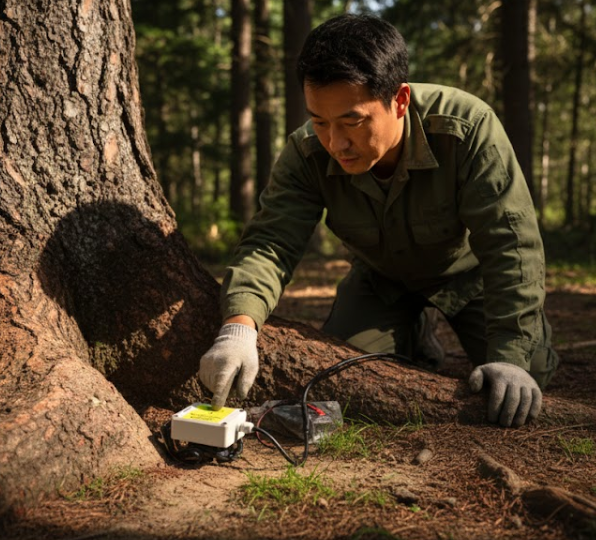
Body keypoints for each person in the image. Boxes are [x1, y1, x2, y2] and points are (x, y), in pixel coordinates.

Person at [198, 14, 559, 428]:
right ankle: (414, 331)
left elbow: (510, 243)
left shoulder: (466, 129)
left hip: (467, 278)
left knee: (526, 376)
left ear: (400, 100)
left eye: (352, 121)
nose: (336, 143)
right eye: (319, 122)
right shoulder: (306, 153)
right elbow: (272, 242)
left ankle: (456, 337)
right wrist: (238, 328)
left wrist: (510, 355)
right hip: (380, 282)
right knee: (346, 379)